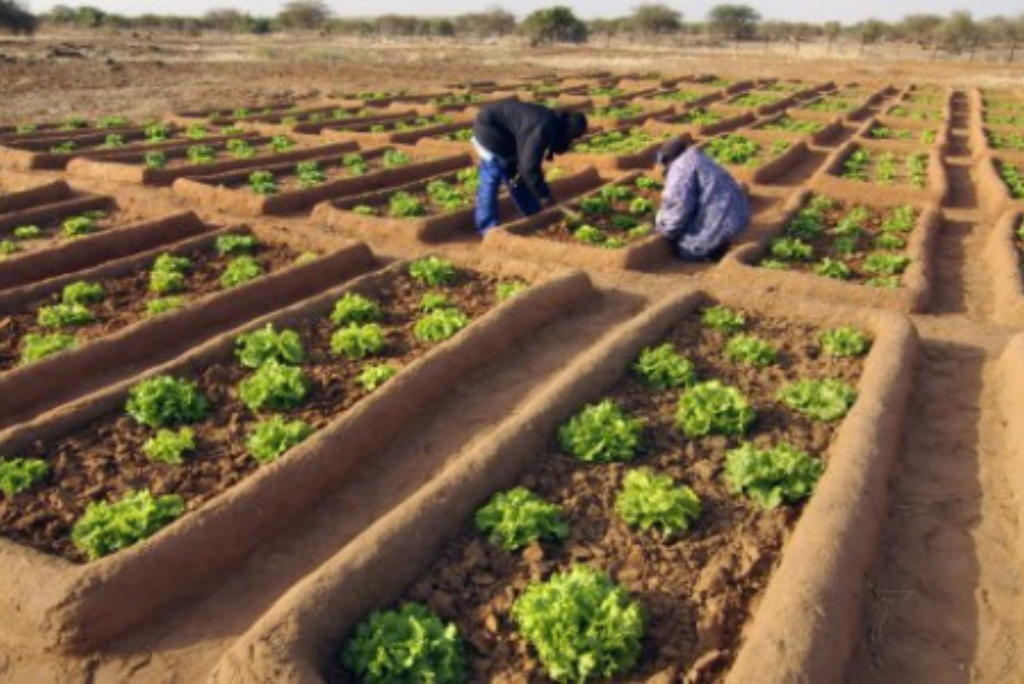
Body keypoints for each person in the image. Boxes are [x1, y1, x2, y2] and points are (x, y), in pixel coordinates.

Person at [471, 100, 588, 234]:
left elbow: (528, 163)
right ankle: (487, 228)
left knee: (517, 178)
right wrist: (544, 195)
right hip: (489, 131)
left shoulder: (553, 122)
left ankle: (534, 214)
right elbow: (529, 167)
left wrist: (541, 191)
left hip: (505, 134)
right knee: (492, 176)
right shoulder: (543, 128)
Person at [654, 136, 750, 261]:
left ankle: (712, 251)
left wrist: (663, 228)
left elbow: (679, 204)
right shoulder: (698, 157)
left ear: (667, 159)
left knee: (687, 251)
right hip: (738, 216)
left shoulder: (680, 167)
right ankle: (719, 244)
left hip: (720, 218)